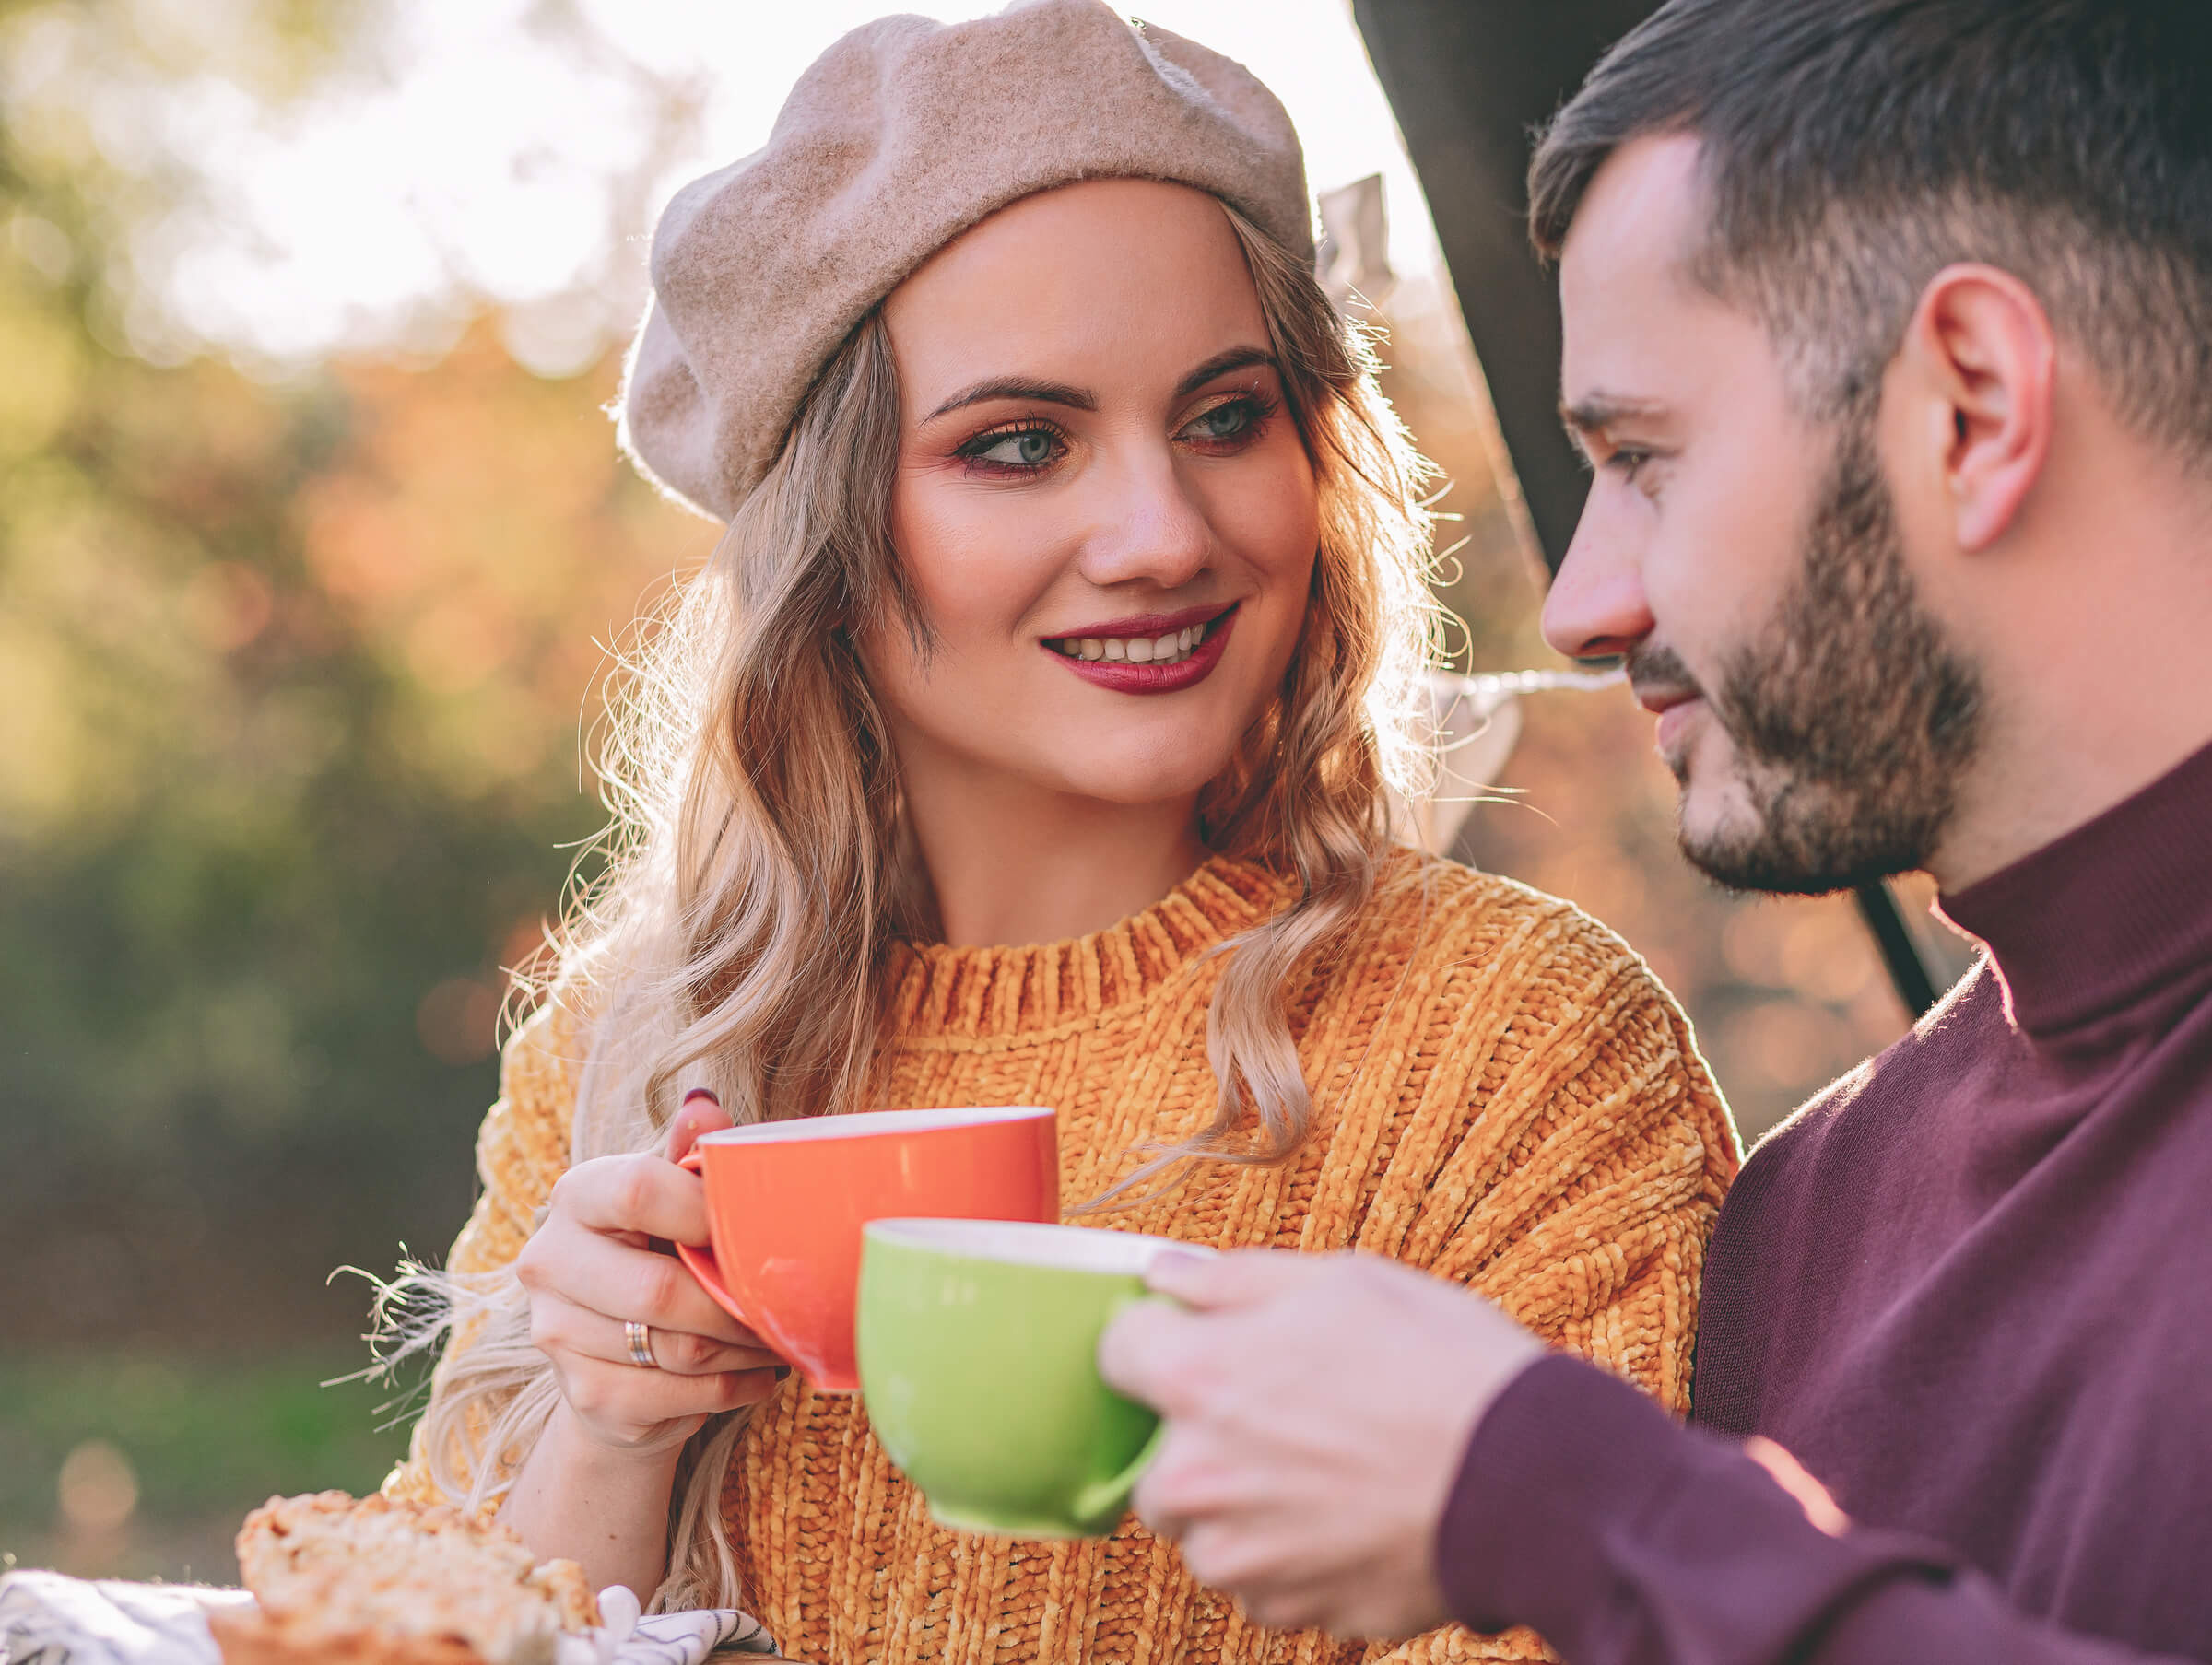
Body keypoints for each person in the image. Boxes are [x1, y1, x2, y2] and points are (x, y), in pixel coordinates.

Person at [375, 6, 1737, 1665]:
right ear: (829, 540)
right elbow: (395, 1628)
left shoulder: (1523, 1052)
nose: (1163, 534)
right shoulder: (632, 1056)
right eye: (1018, 445)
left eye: (1228, 417)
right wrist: (612, 1431)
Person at [1097, 1, 2212, 1660]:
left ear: (1972, 407)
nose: (1581, 601)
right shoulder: (1813, 1220)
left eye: (1645, 461)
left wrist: (1571, 1508)